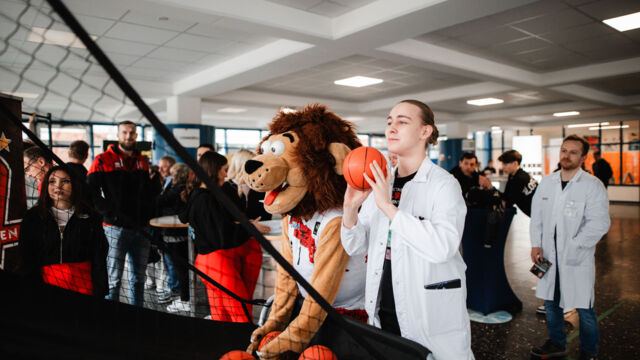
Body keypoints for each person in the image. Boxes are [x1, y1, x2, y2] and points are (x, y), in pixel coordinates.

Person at [341, 99, 474, 359]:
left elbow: (442, 247)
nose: (392, 128)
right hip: (384, 304)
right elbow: (356, 245)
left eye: (402, 122)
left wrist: (388, 207)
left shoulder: (444, 185)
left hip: (428, 309)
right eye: (389, 122)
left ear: (425, 132)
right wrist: (350, 209)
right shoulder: (383, 181)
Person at [530, 135, 610, 360]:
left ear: (583, 158)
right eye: (564, 150)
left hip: (576, 259)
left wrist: (574, 246)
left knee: (584, 308)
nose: (566, 155)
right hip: (547, 256)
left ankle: (588, 350)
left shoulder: (592, 186)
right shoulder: (547, 182)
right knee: (551, 303)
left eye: (573, 152)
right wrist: (536, 243)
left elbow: (599, 223)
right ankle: (556, 342)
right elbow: (537, 216)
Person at [179, 151, 262, 322]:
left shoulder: (201, 196)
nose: (226, 173)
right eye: (224, 169)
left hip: (207, 261)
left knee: (221, 315)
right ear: (214, 170)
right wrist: (250, 228)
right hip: (217, 262)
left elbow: (216, 227)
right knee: (241, 313)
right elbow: (222, 236)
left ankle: (224, 347)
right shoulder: (205, 200)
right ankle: (244, 347)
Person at [87, 120, 161, 307]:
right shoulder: (103, 159)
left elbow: (148, 193)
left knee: (139, 279)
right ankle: (113, 321)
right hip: (115, 228)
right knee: (114, 279)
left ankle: (138, 316)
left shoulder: (142, 161)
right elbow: (90, 191)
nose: (129, 136)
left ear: (136, 135)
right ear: (118, 135)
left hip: (141, 227)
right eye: (125, 132)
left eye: (132, 133)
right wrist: (110, 213)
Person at [18, 166, 108, 297]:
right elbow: (26, 256)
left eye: (65, 181)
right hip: (46, 286)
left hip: (83, 285)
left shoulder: (89, 216)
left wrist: (100, 289)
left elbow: (99, 255)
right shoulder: (33, 217)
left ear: (74, 185)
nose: (58, 186)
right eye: (52, 181)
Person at [158, 163, 192, 312]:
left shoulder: (173, 192)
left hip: (173, 234)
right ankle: (184, 296)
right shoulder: (189, 190)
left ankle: (183, 298)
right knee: (182, 268)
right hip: (184, 235)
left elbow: (159, 202)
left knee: (179, 268)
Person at [226, 149, 272, 223]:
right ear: (242, 165)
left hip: (261, 231)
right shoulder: (225, 188)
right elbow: (224, 219)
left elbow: (267, 215)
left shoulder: (260, 188)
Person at [498, 150, 537, 217]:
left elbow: (508, 202)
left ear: (515, 164)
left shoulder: (519, 179)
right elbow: (506, 195)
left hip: (543, 214)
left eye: (505, 164)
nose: (503, 167)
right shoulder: (514, 176)